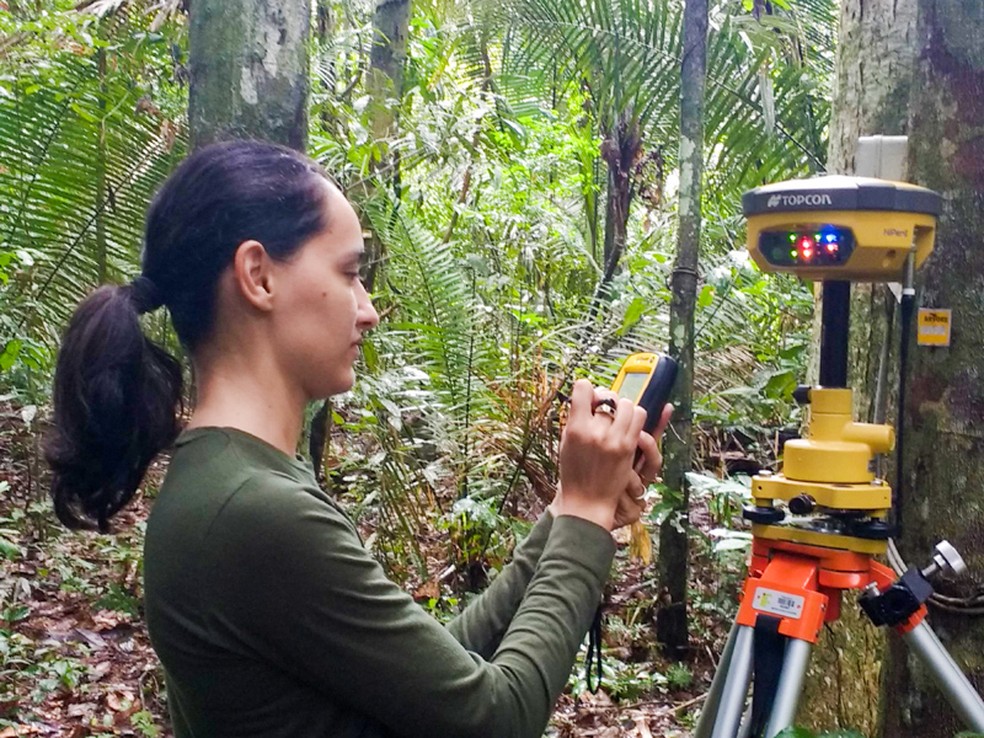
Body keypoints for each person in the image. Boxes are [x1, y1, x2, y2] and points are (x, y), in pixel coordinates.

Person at [45, 140, 672, 737]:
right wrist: (587, 520)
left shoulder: (237, 482)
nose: (367, 309)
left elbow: (444, 675)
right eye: (349, 273)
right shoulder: (254, 513)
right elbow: (494, 719)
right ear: (258, 276)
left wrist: (569, 510)